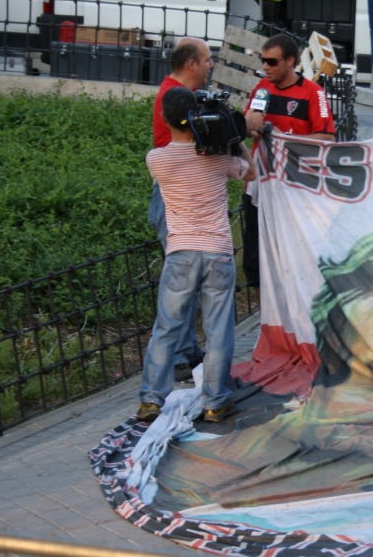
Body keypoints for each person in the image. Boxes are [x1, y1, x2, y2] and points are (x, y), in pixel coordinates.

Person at [137, 87, 257, 424]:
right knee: (218, 330)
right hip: (218, 253)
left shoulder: (156, 160)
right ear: (195, 116)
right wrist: (235, 138)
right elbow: (252, 173)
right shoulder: (218, 158)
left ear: (164, 118)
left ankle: (151, 400)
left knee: (166, 327)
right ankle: (215, 402)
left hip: (180, 254)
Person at [242, 33, 335, 296]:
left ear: (290, 61)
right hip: (260, 187)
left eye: (272, 62)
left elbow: (328, 138)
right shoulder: (261, 89)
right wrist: (254, 130)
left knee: (294, 262)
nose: (266, 67)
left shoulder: (314, 94)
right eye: (263, 61)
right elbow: (248, 124)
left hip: (296, 191)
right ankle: (268, 327)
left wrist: (288, 140)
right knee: (256, 265)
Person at [148, 37, 216, 381]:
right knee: (180, 282)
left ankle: (187, 351)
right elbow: (175, 154)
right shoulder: (171, 98)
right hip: (174, 199)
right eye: (207, 60)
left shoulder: (177, 94)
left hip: (177, 199)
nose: (211, 65)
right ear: (191, 64)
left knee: (185, 278)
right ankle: (176, 356)